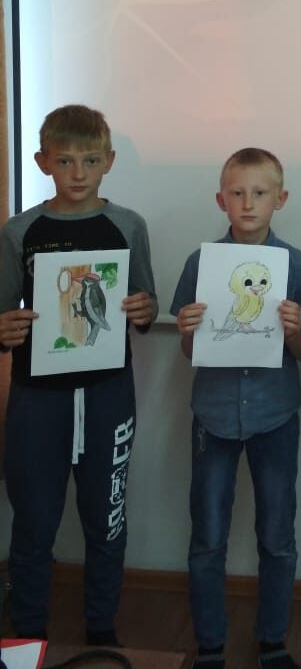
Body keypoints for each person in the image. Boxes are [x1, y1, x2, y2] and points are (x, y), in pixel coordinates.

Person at [0, 104, 157, 645]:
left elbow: (145, 305)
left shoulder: (128, 225)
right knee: (33, 522)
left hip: (108, 394)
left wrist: (144, 309)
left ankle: (101, 630)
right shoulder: (20, 230)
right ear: (42, 162)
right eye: (65, 161)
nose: (78, 173)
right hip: (36, 398)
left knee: (106, 518)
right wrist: (6, 328)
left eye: (90, 161)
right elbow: (3, 315)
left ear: (108, 161)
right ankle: (26, 636)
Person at [172, 147, 301, 669]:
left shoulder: (295, 265)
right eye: (236, 193)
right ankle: (210, 643)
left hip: (274, 415)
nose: (248, 203)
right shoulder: (201, 263)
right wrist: (188, 330)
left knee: (277, 536)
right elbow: (190, 350)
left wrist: (295, 329)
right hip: (214, 415)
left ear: (280, 199)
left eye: (259, 193)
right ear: (221, 200)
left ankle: (273, 640)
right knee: (207, 535)